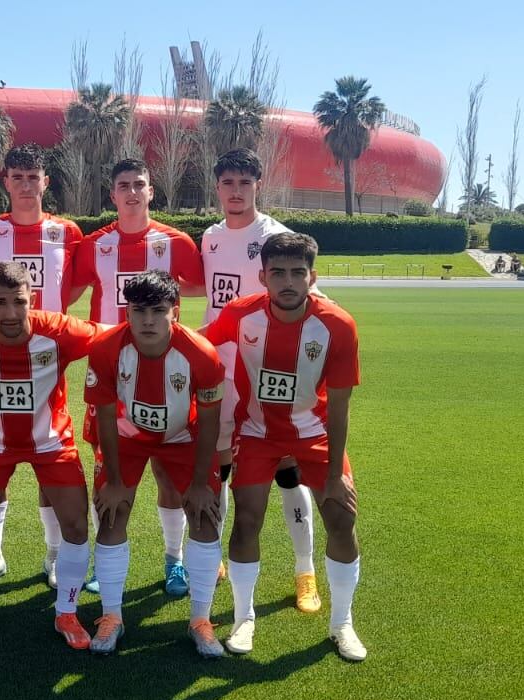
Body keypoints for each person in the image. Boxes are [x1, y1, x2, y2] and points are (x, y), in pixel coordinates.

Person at [201, 232, 368, 662]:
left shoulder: (337, 324)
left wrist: (333, 475)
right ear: (263, 276)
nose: (289, 282)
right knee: (246, 522)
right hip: (257, 433)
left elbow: (341, 406)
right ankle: (243, 619)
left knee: (341, 517)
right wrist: (144, 334)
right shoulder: (241, 314)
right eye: (278, 273)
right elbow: (199, 341)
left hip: (315, 435)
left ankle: (342, 623)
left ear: (313, 276)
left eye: (298, 272)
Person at [0, 262, 101, 651]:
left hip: (51, 442)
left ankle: (67, 613)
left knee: (76, 525)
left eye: (19, 302)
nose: (10, 313)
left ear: (33, 300)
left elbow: (114, 336)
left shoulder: (59, 331)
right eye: (1, 302)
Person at [70, 157, 204, 596]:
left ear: (151, 191)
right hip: (110, 376)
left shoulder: (177, 241)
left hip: (165, 372)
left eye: (139, 184)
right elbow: (66, 292)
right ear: (112, 194)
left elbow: (202, 286)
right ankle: (100, 560)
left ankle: (175, 559)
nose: (131, 192)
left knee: (168, 475)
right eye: (123, 184)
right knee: (107, 472)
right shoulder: (92, 245)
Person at [200, 148, 327, 614]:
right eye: (228, 183)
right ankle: (216, 557)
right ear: (218, 188)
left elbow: (312, 294)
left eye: (244, 184)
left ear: (257, 187)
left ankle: (304, 569)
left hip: (269, 375)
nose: (236, 191)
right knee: (222, 468)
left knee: (288, 473)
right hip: (222, 372)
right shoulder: (210, 237)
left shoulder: (275, 236)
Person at [86, 270, 226, 657]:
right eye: (139, 311)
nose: (148, 320)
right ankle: (112, 616)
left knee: (204, 515)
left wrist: (200, 483)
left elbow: (211, 422)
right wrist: (113, 479)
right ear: (126, 312)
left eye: (158, 311)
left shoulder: (203, 355)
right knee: (112, 513)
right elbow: (104, 416)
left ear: (175, 312)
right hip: (127, 437)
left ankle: (201, 619)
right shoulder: (105, 348)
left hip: (184, 438)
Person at [0, 143, 86, 586]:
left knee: (47, 445)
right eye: (16, 177)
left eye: (32, 177)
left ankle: (55, 555)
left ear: (45, 183)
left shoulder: (68, 232)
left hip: (46, 359)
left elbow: (72, 289)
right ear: (6, 182)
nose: (24, 184)